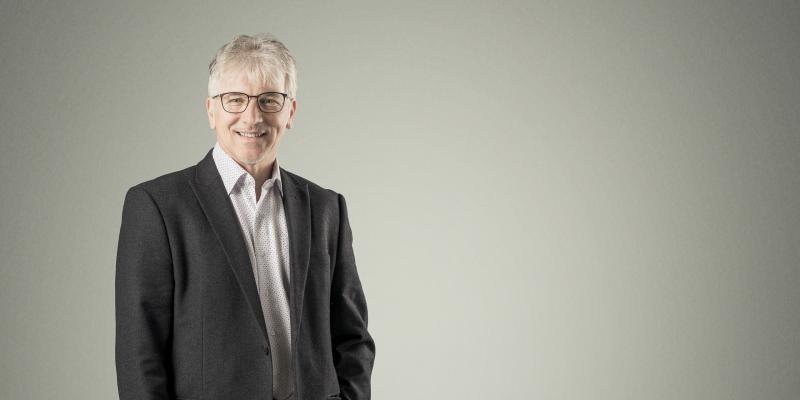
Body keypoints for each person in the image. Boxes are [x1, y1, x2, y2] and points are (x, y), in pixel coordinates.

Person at [115, 33, 375, 400]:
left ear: (290, 112)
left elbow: (353, 337)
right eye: (235, 99)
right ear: (211, 110)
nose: (252, 117)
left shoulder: (325, 207)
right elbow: (139, 353)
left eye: (269, 100)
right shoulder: (158, 206)